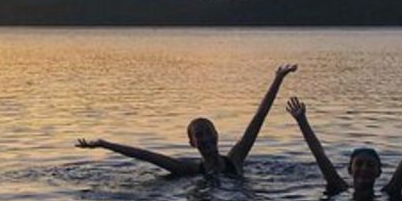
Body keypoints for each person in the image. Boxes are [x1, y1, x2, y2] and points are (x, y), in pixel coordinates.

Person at [76, 64, 299, 176]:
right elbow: (146, 156)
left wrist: (278, 79)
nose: (206, 138)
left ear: (217, 135)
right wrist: (104, 144)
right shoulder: (190, 171)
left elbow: (259, 118)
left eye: (208, 131)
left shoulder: (236, 160)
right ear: (192, 143)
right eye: (199, 135)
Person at [285, 96, 402, 201]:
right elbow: (320, 156)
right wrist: (302, 120)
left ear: (379, 172)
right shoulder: (339, 188)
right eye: (359, 164)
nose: (364, 169)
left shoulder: (390, 192)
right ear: (349, 170)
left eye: (370, 165)